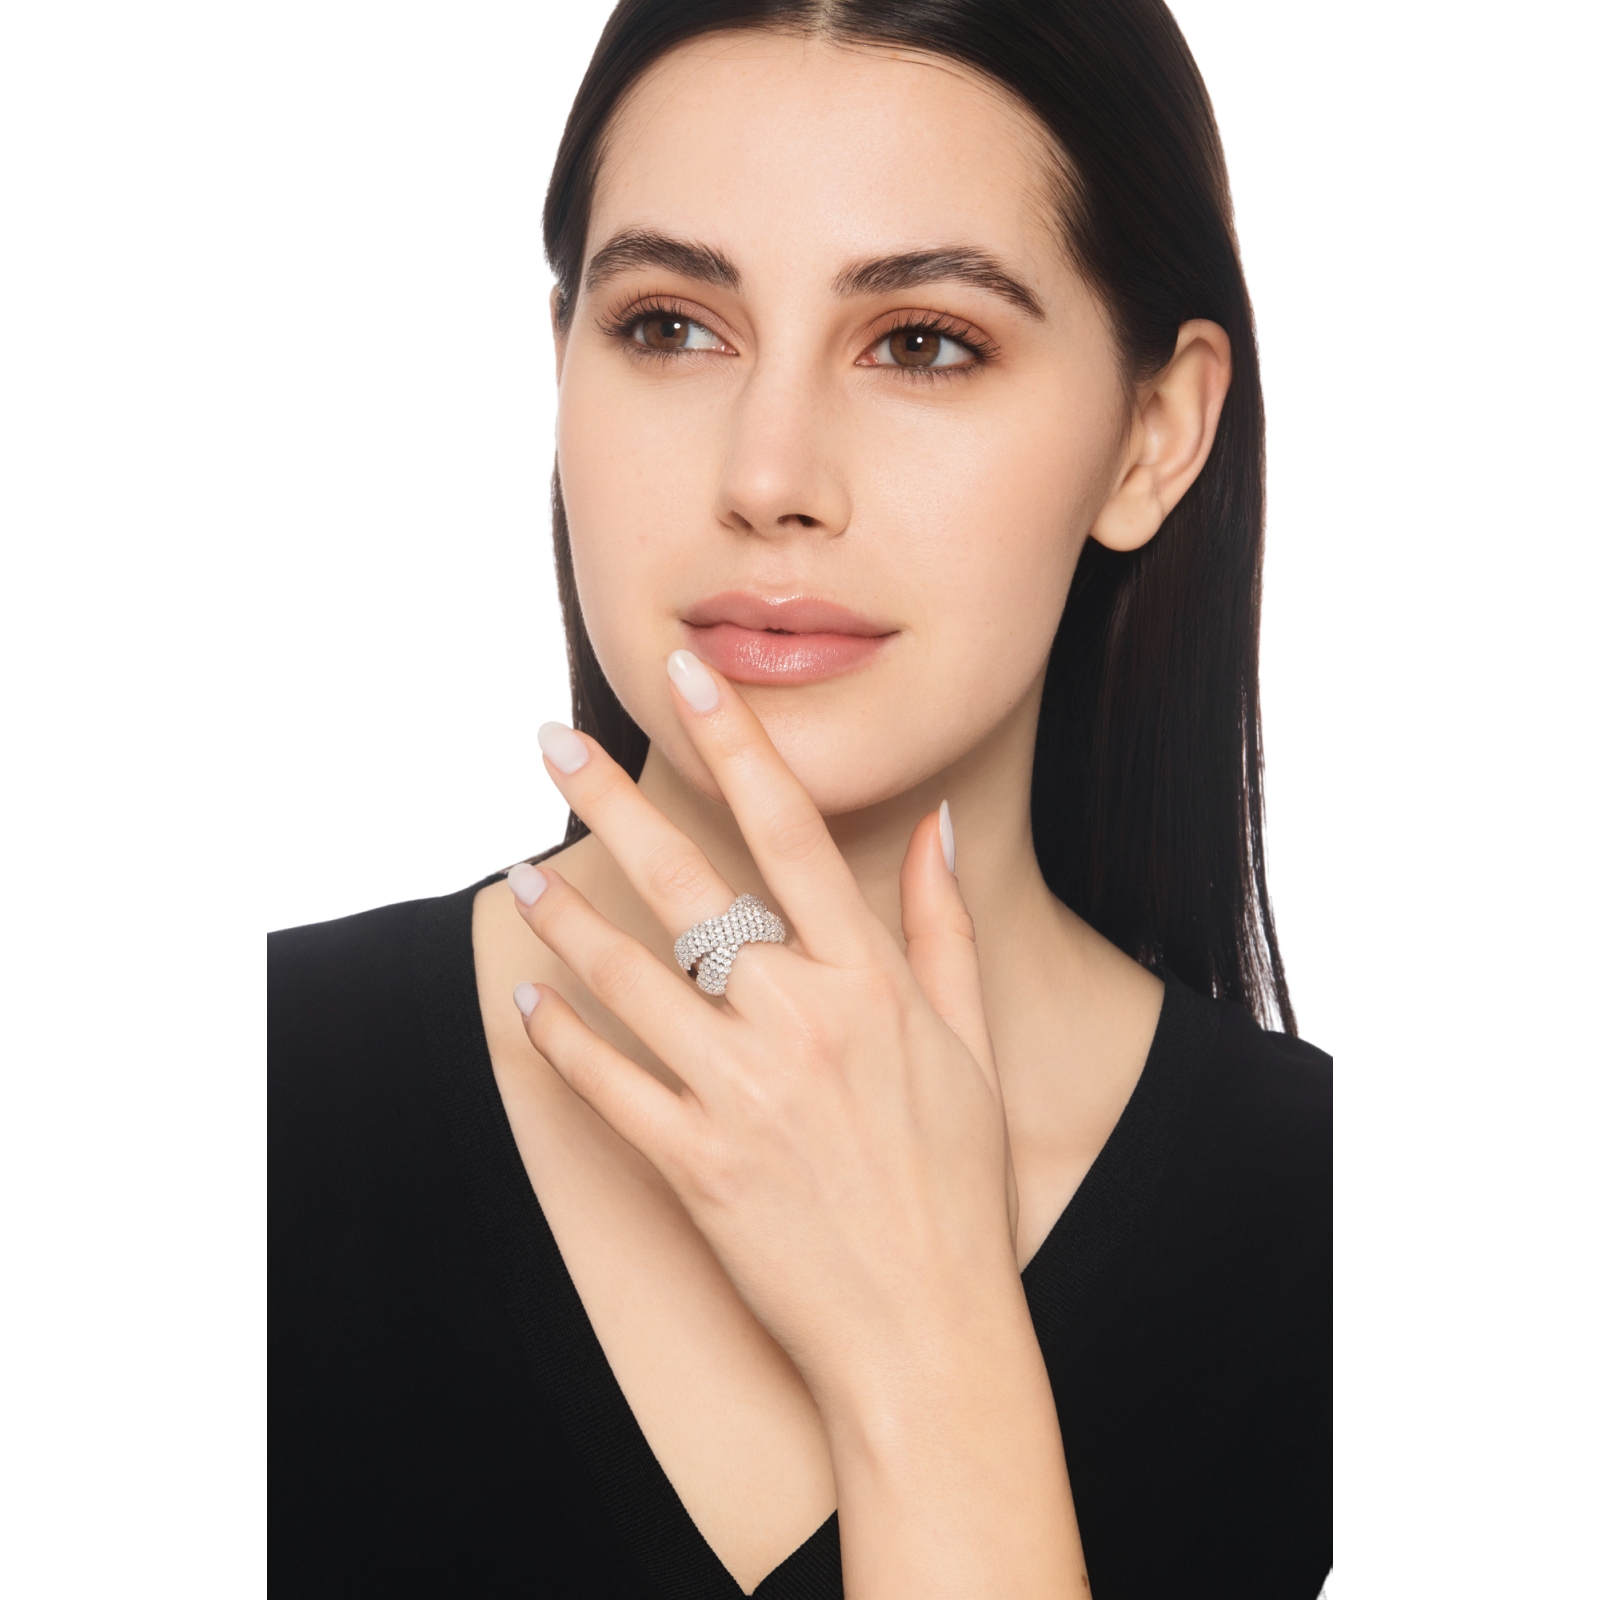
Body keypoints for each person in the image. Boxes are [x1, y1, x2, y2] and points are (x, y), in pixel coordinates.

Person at [269, 1, 1332, 1594]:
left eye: (922, 344)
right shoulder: (216, 1107)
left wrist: (927, 1345)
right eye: (669, 327)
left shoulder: (1379, 1262)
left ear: (1152, 435)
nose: (768, 476)